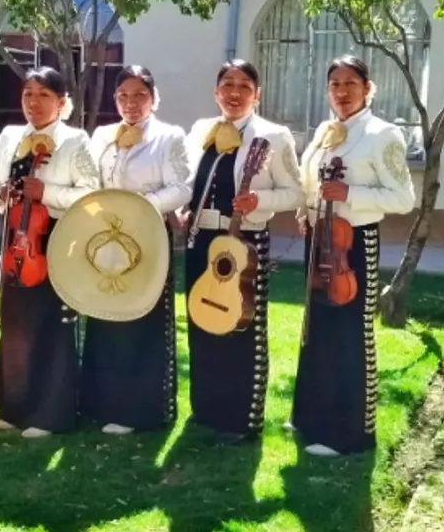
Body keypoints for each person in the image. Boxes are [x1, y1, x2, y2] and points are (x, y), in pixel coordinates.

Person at [290, 55, 415, 457]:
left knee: (349, 333)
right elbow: (310, 180)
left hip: (355, 242)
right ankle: (310, 416)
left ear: (368, 88)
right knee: (317, 327)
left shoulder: (382, 134)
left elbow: (403, 199)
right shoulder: (325, 131)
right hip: (320, 238)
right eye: (335, 84)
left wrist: (349, 194)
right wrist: (305, 210)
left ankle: (348, 433)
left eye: (351, 84)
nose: (342, 92)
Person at [178, 59, 304, 445]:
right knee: (202, 321)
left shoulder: (274, 135)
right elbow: (190, 179)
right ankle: (206, 408)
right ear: (216, 92)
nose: (235, 93)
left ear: (257, 94)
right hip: (200, 240)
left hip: (245, 242)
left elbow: (296, 192)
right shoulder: (202, 129)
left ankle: (241, 419)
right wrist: (185, 208)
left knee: (241, 326)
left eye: (244, 86)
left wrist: (258, 200)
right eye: (227, 85)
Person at [0, 66, 96, 438]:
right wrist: (2, 193)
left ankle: (49, 414)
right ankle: (14, 407)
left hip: (56, 240)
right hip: (16, 241)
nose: (34, 101)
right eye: (28, 93)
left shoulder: (75, 141)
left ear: (61, 102)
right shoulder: (10, 136)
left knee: (52, 326)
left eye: (44, 94)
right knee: (16, 326)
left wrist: (46, 193)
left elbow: (91, 193)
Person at [79, 65, 189, 435]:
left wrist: (140, 207)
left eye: (141, 95)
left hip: (148, 235)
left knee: (142, 319)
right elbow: (91, 181)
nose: (132, 102)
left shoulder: (169, 136)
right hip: (105, 237)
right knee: (105, 314)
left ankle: (139, 410)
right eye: (123, 95)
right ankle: (99, 403)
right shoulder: (102, 135)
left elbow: (182, 187)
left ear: (154, 99)